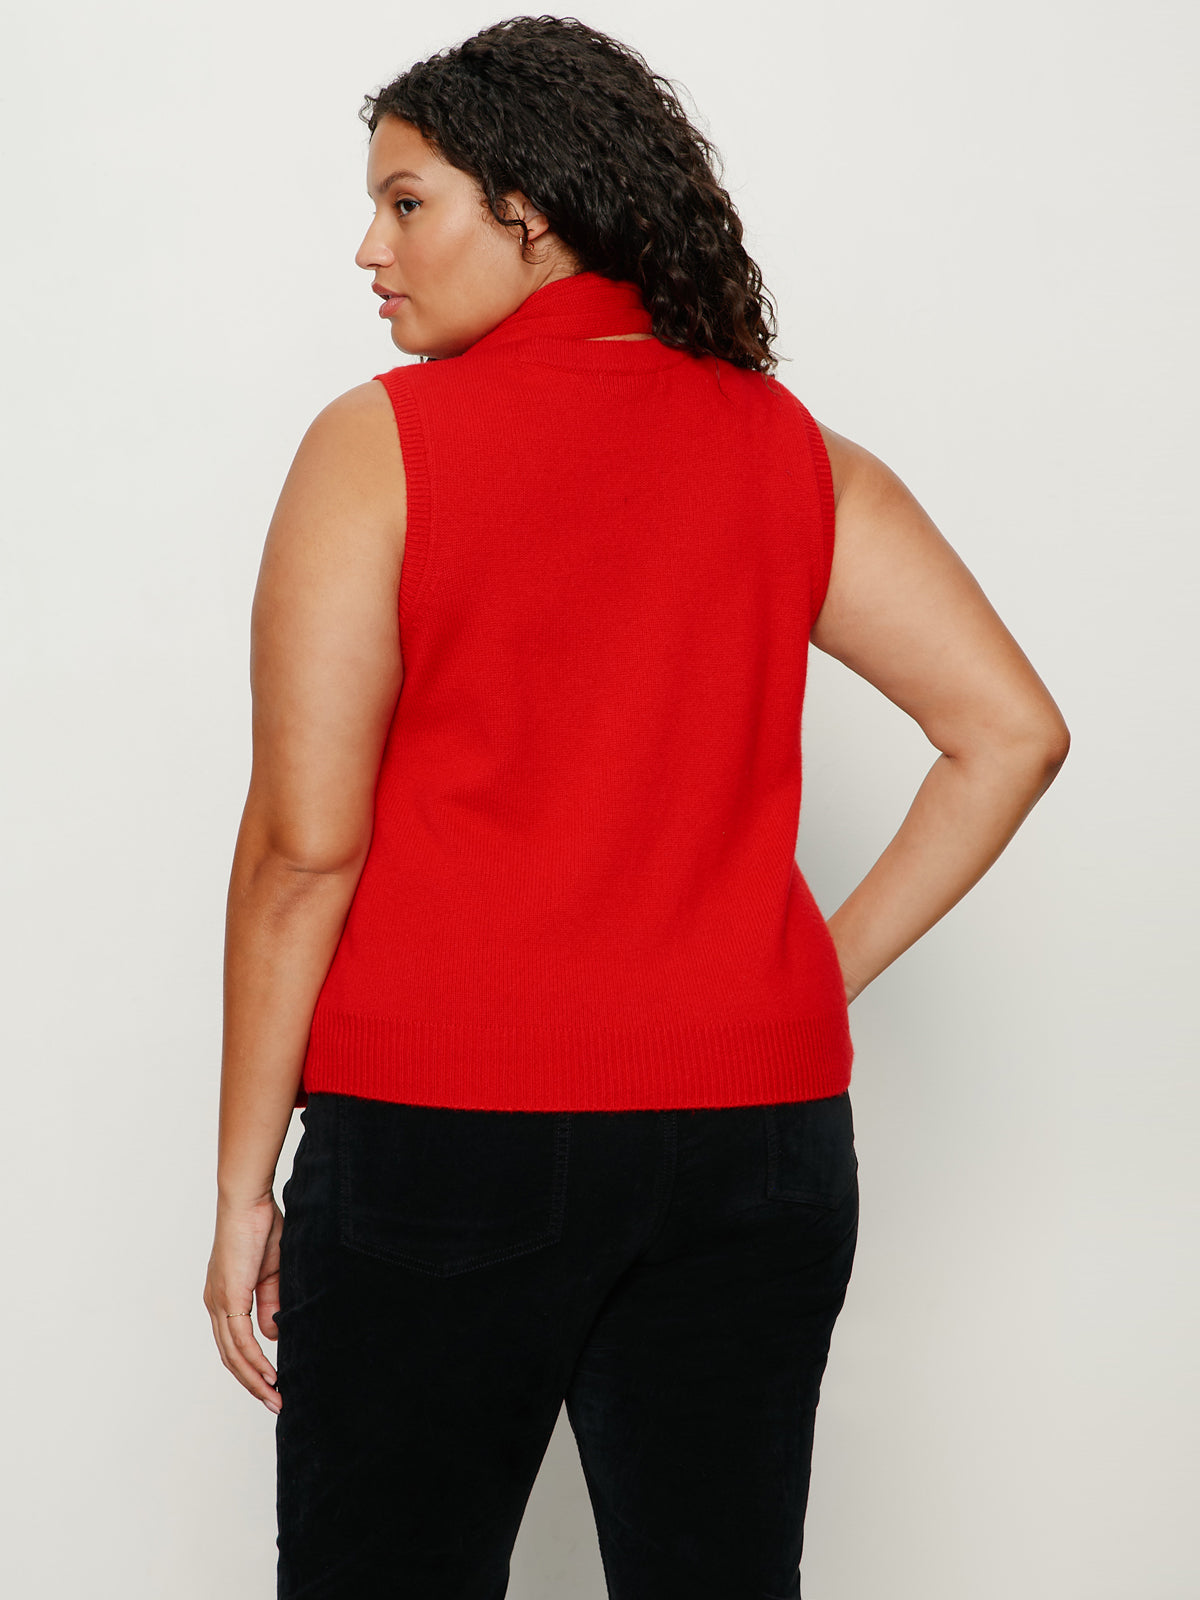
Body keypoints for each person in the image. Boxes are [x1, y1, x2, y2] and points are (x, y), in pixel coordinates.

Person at [203, 16, 1070, 1599]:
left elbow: (300, 851)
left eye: (407, 202)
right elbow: (1008, 732)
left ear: (530, 206)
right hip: (759, 1147)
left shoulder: (380, 447)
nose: (368, 248)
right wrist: (800, 972)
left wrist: (243, 1178)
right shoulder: (795, 454)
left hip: (442, 1141)